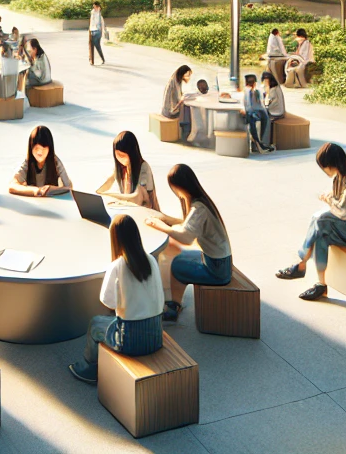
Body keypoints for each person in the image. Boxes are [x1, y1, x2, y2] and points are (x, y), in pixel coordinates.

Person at [66, 214, 164, 383]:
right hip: (155, 336)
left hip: (131, 341)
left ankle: (89, 368)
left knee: (96, 324)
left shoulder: (117, 266)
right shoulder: (151, 261)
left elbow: (107, 301)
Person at [276, 142, 346, 301]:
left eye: (324, 166)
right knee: (321, 235)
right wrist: (331, 197)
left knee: (320, 220)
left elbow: (345, 213)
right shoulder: (342, 176)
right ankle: (321, 286)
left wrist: (329, 199)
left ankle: (301, 264)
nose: (324, 170)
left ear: (332, 163)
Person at [145, 164, 231, 322]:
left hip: (217, 269)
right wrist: (166, 220)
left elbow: (186, 237)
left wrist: (160, 226)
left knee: (176, 266)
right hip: (217, 260)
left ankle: (173, 307)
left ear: (180, 186)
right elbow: (188, 224)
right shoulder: (201, 203)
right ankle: (174, 303)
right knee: (178, 258)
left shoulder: (199, 209)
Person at [97, 131, 160, 211]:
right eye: (117, 155)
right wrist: (98, 194)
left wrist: (109, 195)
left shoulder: (143, 168)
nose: (120, 159)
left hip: (146, 212)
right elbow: (108, 183)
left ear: (131, 153)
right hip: (128, 209)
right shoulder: (121, 168)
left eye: (122, 155)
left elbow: (137, 198)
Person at [9, 124, 73, 196]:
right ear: (31, 148)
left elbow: (69, 187)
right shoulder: (28, 162)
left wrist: (51, 189)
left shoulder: (55, 162)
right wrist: (34, 190)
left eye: (43, 148)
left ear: (49, 149)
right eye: (36, 148)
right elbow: (12, 186)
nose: (39, 152)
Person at [240, 73, 275, 153]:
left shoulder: (249, 91)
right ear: (255, 83)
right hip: (255, 114)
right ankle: (259, 144)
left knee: (258, 120)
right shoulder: (254, 91)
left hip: (252, 114)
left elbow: (248, 105)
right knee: (262, 119)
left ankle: (257, 144)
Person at [160, 65, 191, 138]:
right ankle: (186, 132)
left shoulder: (175, 79)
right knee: (187, 109)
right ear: (183, 73)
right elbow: (179, 98)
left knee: (186, 107)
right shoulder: (175, 82)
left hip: (167, 109)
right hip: (170, 112)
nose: (188, 77)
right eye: (187, 75)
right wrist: (185, 97)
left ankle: (186, 130)